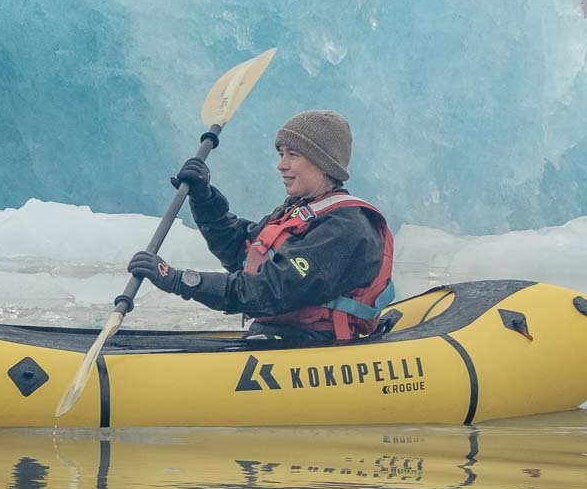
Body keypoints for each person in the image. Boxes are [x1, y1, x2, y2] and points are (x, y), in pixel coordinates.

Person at [128, 109, 394, 343]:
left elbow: (269, 290)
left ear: (323, 162)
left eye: (293, 155)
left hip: (314, 345)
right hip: (279, 338)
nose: (281, 165)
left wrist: (180, 281)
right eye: (281, 154)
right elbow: (241, 252)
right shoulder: (299, 210)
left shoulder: (346, 228)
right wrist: (204, 199)